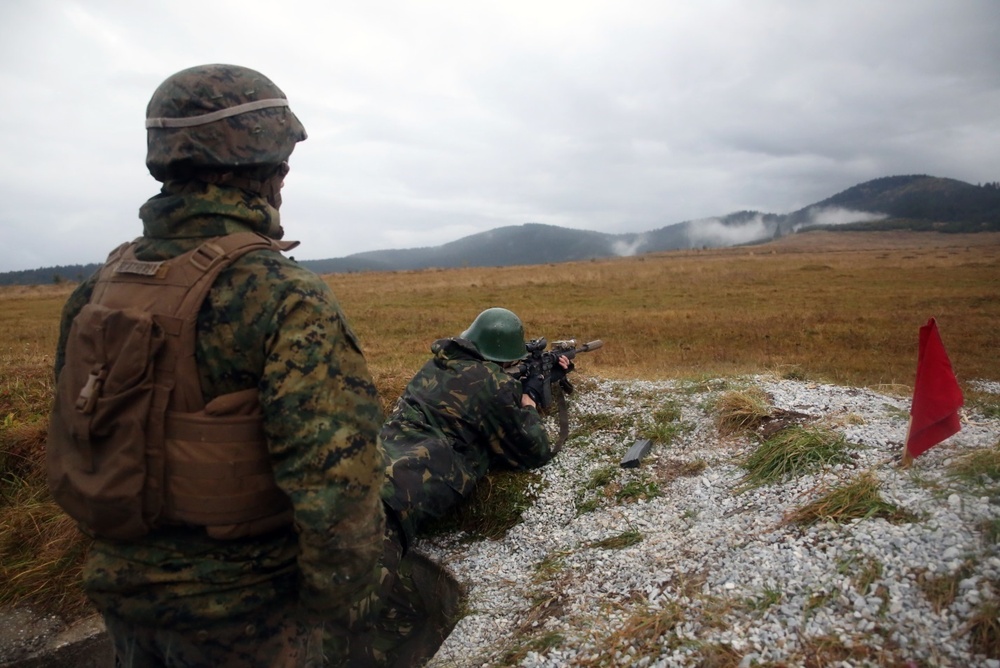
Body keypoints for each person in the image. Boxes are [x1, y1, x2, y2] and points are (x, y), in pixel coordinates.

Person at [47, 64, 385, 667]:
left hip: (125, 599)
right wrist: (333, 604)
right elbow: (337, 485)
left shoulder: (98, 289)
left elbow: (81, 438)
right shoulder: (283, 295)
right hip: (249, 615)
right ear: (266, 166)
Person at [351, 307, 565, 667]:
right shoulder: (493, 384)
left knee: (404, 617)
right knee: (348, 639)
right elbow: (536, 450)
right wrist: (527, 399)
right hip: (374, 520)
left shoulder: (435, 367)